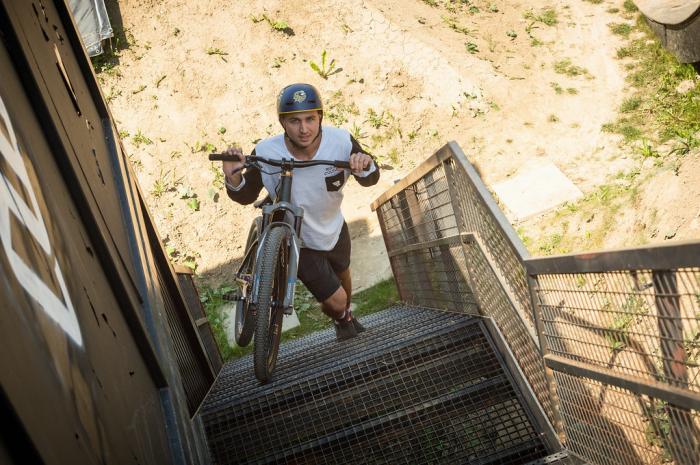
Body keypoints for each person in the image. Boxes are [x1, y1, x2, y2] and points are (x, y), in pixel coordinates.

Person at [220, 83, 380, 341]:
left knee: (344, 280)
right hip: (297, 239)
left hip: (334, 227)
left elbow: (371, 177)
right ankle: (340, 314)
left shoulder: (341, 141)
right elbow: (245, 195)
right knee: (338, 301)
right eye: (294, 121)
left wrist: (364, 164)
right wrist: (233, 177)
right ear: (283, 122)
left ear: (320, 118)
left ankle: (343, 317)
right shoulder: (266, 151)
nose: (304, 129)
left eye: (310, 119)